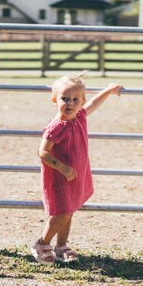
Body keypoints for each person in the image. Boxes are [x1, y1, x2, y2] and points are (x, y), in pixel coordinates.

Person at [32, 74, 123, 264]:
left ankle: (61, 246)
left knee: (69, 210)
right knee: (62, 213)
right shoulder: (56, 126)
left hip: (75, 176)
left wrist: (109, 90)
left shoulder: (80, 116)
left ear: (81, 101)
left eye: (75, 100)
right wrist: (63, 168)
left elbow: (95, 104)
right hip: (60, 177)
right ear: (54, 100)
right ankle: (42, 243)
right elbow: (43, 152)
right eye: (65, 99)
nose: (70, 104)